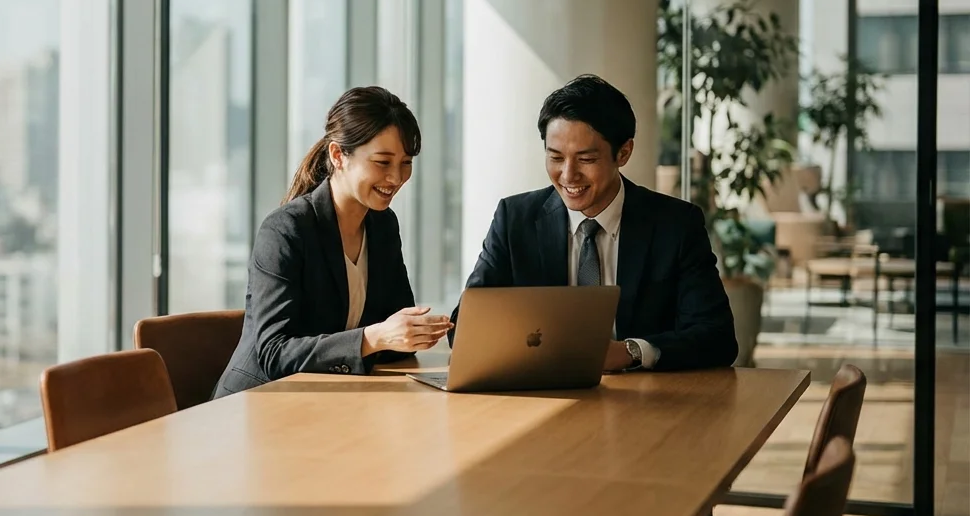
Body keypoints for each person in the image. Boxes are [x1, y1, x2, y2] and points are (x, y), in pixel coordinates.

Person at [452, 74, 737, 372]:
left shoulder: (675, 225)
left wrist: (631, 352)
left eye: (585, 159)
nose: (567, 175)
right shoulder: (515, 219)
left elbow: (718, 338)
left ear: (623, 152)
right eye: (556, 157)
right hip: (541, 395)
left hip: (645, 401)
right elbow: (462, 328)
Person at [213, 86, 452, 398]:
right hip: (259, 406)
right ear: (338, 155)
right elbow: (274, 353)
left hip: (328, 399)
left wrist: (413, 333)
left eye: (406, 162)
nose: (396, 177)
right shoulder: (285, 230)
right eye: (382, 162)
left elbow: (392, 335)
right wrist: (374, 338)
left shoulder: (382, 225)